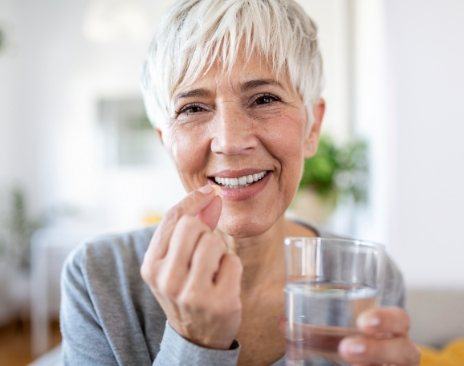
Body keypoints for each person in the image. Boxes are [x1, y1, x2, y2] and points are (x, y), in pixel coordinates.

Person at [60, 0, 420, 365]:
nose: (230, 141)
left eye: (264, 99)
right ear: (165, 140)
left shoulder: (366, 276)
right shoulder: (98, 277)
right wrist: (194, 342)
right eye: (193, 108)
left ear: (312, 127)